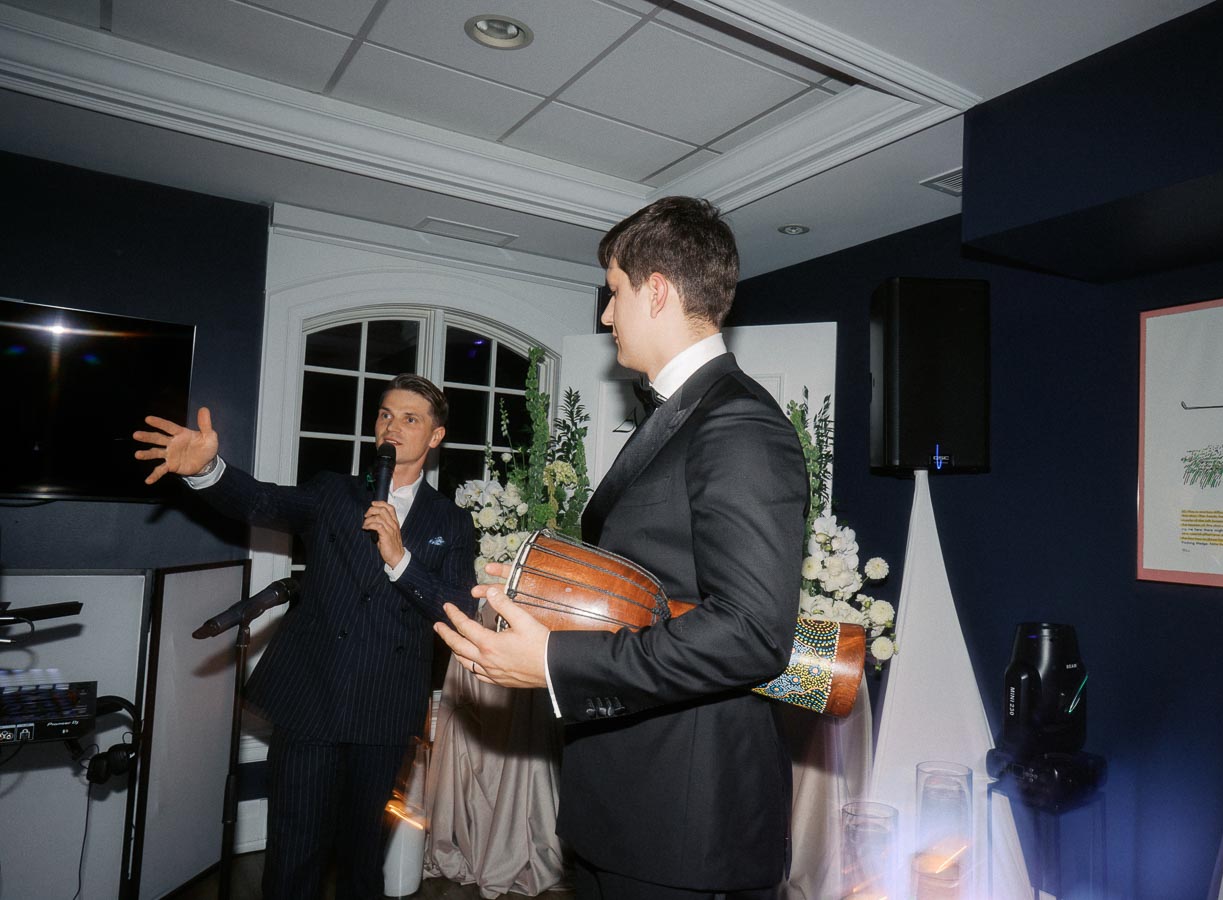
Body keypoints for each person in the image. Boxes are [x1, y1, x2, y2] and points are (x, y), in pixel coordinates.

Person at [434, 196, 809, 899]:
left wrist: (551, 659)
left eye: (614, 294)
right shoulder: (676, 413)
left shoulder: (738, 425)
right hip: (626, 805)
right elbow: (648, 588)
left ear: (657, 291)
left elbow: (754, 634)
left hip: (685, 826)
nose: (606, 317)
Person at [133, 373, 476, 900]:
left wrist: (401, 561)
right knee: (294, 854)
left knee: (364, 859)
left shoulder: (451, 522)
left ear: (435, 437)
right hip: (312, 696)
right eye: (385, 414)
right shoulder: (333, 491)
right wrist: (206, 470)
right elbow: (263, 501)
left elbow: (459, 610)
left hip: (384, 706)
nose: (393, 426)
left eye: (411, 419)